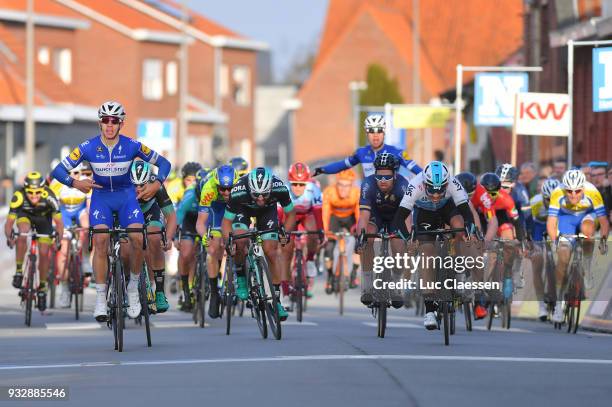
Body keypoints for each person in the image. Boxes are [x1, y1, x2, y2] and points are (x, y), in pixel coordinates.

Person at [51, 100, 171, 321]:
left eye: (114, 121)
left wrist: (156, 184)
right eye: (105, 120)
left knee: (137, 238)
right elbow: (58, 170)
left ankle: (133, 289)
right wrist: (75, 183)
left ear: (121, 124)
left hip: (126, 197)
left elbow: (164, 164)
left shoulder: (132, 145)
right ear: (100, 123)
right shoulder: (88, 147)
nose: (109, 125)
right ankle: (99, 299)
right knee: (100, 241)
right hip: (101, 199)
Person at [391, 161, 479, 329]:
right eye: (432, 190)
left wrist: (470, 229)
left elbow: (467, 214)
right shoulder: (414, 185)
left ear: (447, 183)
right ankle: (430, 310)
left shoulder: (454, 183)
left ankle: (459, 269)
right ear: (424, 183)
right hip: (424, 214)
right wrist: (407, 237)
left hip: (447, 209)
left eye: (441, 190)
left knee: (459, 228)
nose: (437, 195)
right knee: (427, 255)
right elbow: (399, 218)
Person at [222, 167, 296, 321]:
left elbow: (291, 214)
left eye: (265, 194)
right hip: (243, 210)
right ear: (250, 189)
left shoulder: (279, 187)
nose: (261, 198)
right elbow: (227, 221)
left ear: (270, 188)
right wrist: (228, 242)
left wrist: (286, 233)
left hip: (267, 212)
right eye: (257, 195)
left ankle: (276, 301)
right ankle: (241, 275)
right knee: (240, 240)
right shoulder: (238, 190)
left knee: (272, 252)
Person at [547, 170, 609, 323]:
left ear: (583, 188)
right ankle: (558, 305)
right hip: (566, 219)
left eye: (577, 191)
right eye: (569, 191)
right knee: (562, 258)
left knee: (588, 230)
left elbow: (603, 221)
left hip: (586, 216)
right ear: (564, 188)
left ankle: (586, 267)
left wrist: (602, 240)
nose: (573, 195)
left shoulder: (593, 192)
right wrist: (555, 241)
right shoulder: (557, 193)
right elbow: (551, 222)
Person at [4, 172, 63, 312]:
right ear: (25, 189)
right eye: (30, 192)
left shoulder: (50, 196)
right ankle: (19, 272)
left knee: (44, 252)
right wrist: (9, 237)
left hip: (44, 220)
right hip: (25, 216)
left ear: (43, 189)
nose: (34, 196)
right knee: (23, 232)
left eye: (37, 192)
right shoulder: (18, 196)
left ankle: (42, 288)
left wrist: (58, 240)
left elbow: (59, 223)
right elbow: (9, 223)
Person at [356, 152, 408, 308]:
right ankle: (367, 286)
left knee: (399, 246)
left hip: (397, 216)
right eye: (379, 177)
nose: (383, 181)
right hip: (375, 215)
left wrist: (409, 238)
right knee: (367, 239)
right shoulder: (368, 184)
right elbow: (364, 216)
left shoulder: (403, 185)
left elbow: (407, 218)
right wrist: (361, 238)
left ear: (395, 175)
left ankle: (396, 286)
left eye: (387, 177)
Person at [129, 160, 176, 313]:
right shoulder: (123, 185)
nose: (137, 189)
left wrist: (168, 239)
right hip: (128, 211)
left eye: (141, 185)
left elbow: (171, 217)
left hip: (151, 211)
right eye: (134, 185)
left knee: (155, 238)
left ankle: (160, 292)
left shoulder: (157, 186)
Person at [313, 114, 422, 178]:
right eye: (371, 131)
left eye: (379, 131)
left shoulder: (396, 152)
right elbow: (342, 165)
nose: (375, 135)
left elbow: (417, 170)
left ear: (384, 133)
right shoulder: (361, 153)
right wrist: (321, 170)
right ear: (366, 134)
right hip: (371, 198)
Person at [195, 164, 239, 319]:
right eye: (222, 189)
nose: (226, 192)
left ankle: (240, 277)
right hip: (215, 209)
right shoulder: (209, 188)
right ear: (217, 185)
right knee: (213, 249)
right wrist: (204, 236)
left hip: (232, 208)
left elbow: (247, 215)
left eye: (229, 189)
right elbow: (200, 223)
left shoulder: (240, 186)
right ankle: (214, 293)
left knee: (240, 239)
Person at [278, 163, 323, 305]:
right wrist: (281, 231)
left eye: (301, 185)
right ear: (289, 182)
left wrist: (320, 231)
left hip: (306, 215)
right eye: (294, 184)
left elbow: (318, 213)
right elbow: (279, 215)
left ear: (307, 183)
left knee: (313, 231)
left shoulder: (314, 189)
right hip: (289, 216)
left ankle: (310, 259)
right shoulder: (283, 189)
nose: (297, 188)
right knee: (286, 252)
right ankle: (285, 292)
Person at [55, 162, 91, 308]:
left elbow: (90, 205)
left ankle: (85, 259)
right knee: (63, 251)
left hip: (80, 212)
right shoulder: (58, 185)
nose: (73, 176)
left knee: (87, 227)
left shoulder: (84, 182)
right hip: (65, 215)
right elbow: (54, 207)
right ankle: (64, 287)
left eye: (76, 173)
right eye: (69, 173)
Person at [322, 169, 360, 293]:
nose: (343, 189)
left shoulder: (356, 193)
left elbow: (359, 215)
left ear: (352, 185)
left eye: (347, 185)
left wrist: (359, 231)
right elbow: (326, 214)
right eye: (341, 185)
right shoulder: (329, 192)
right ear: (336, 184)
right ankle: (329, 277)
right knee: (329, 248)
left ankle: (353, 273)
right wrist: (327, 232)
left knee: (359, 244)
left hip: (350, 217)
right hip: (335, 217)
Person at [528, 178, 560, 320]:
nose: (550, 203)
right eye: (548, 199)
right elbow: (527, 223)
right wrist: (529, 244)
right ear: (543, 196)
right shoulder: (535, 202)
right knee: (538, 260)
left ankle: (555, 295)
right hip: (538, 228)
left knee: (555, 261)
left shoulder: (563, 201)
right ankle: (541, 304)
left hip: (555, 227)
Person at [174, 162, 203, 311]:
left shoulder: (205, 190)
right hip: (188, 221)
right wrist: (175, 237)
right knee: (186, 254)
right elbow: (178, 215)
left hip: (204, 220)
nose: (192, 183)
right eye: (188, 180)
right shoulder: (187, 193)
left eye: (195, 180)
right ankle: (185, 289)